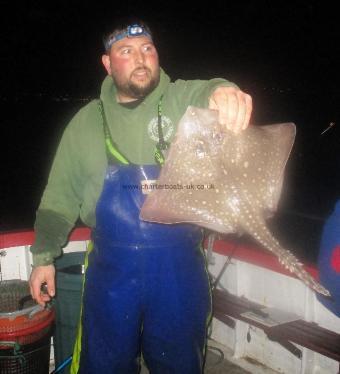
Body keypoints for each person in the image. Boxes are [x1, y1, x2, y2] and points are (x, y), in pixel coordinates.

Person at [29, 18, 252, 374]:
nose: (141, 58)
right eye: (127, 51)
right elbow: (59, 197)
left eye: (148, 48)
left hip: (180, 270)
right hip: (111, 272)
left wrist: (224, 90)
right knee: (104, 364)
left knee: (181, 364)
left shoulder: (180, 103)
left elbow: (206, 91)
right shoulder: (86, 123)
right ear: (107, 63)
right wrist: (43, 256)